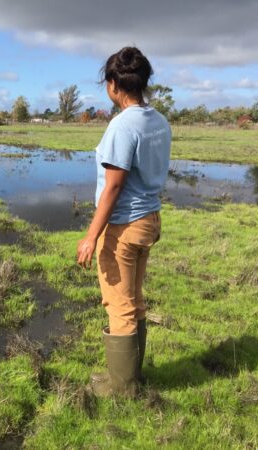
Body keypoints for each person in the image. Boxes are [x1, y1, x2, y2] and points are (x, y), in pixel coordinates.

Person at [76, 46, 171, 397]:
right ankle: (130, 378)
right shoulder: (158, 120)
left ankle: (122, 387)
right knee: (134, 299)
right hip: (149, 219)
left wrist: (91, 236)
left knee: (119, 304)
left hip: (124, 226)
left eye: (108, 82)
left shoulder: (122, 125)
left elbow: (113, 187)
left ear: (114, 84)